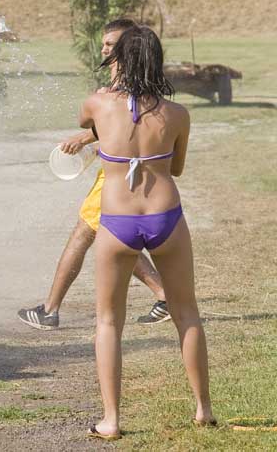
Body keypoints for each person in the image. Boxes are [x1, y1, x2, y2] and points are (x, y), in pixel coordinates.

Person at [80, 25, 214, 439]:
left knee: (107, 321)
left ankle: (112, 421)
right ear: (157, 59)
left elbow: (89, 125)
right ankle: (203, 409)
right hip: (165, 216)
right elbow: (175, 168)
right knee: (186, 312)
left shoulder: (97, 103)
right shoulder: (177, 114)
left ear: (117, 58)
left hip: (117, 221)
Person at [17, 19, 170, 330]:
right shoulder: (136, 82)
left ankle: (50, 309)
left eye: (111, 44)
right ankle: (165, 296)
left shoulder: (124, 85)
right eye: (104, 43)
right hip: (120, 174)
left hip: (116, 179)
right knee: (112, 238)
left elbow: (118, 121)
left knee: (83, 234)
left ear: (128, 48)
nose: (103, 49)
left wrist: (86, 136)